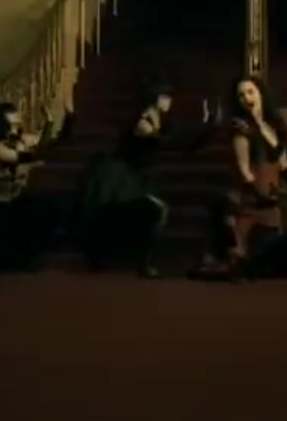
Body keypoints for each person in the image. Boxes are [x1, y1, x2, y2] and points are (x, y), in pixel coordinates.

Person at [73, 79, 219, 278]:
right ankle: (139, 263)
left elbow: (181, 146)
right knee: (154, 211)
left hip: (134, 178)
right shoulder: (143, 122)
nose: (170, 101)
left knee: (153, 211)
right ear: (155, 99)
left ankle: (142, 262)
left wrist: (207, 128)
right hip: (118, 178)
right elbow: (167, 144)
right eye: (166, 97)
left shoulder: (160, 123)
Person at [192, 76, 287, 281]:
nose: (246, 98)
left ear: (261, 94)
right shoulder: (241, 129)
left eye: (250, 92)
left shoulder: (274, 125)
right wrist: (261, 196)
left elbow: (283, 160)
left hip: (273, 190)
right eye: (241, 95)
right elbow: (244, 171)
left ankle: (282, 263)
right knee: (238, 263)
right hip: (252, 196)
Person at [0, 93, 75, 270]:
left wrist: (68, 118)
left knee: (49, 209)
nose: (19, 128)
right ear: (1, 127)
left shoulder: (24, 140)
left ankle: (27, 257)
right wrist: (48, 125)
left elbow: (56, 144)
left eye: (19, 123)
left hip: (14, 201)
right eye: (13, 125)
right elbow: (33, 155)